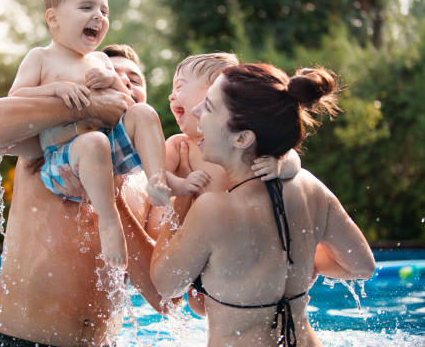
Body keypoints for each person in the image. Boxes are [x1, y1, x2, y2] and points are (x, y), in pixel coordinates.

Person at [0, 44, 172, 347]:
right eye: (109, 76)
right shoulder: (45, 152)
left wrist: (114, 202)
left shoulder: (149, 188)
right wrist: (89, 107)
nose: (122, 83)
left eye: (134, 80)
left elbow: (166, 300)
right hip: (18, 341)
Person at [150, 62, 375, 347]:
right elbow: (361, 266)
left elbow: (166, 285)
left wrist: (179, 200)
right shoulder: (310, 188)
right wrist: (297, 262)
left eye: (208, 107)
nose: (196, 113)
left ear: (243, 138)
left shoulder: (214, 210)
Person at [7, 0, 196, 268]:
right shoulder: (40, 58)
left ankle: (156, 178)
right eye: (86, 8)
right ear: (53, 18)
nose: (98, 16)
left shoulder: (100, 60)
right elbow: (15, 98)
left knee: (144, 112)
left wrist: (112, 79)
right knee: (93, 141)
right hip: (64, 157)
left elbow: (125, 104)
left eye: (104, 11)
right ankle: (110, 223)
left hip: (109, 149)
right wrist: (53, 88)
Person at [163, 53, 303, 313]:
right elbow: (154, 177)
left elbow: (291, 155)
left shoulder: (242, 140)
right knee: (202, 306)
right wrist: (180, 186)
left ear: (216, 92)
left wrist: (280, 165)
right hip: (201, 248)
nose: (172, 96)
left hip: (242, 241)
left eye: (180, 87)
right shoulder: (178, 145)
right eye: (172, 89)